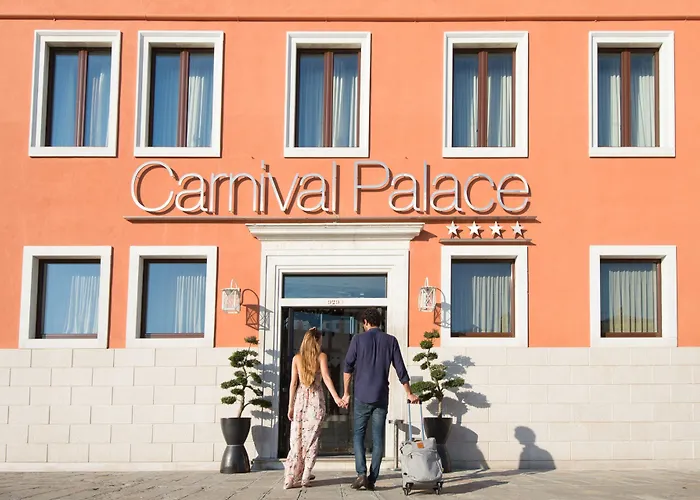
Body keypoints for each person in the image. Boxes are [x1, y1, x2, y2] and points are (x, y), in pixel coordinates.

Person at [342, 308, 419, 491]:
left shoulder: (358, 340)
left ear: (365, 322)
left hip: (361, 396)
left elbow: (347, 368)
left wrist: (346, 393)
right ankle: (372, 479)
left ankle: (361, 474)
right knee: (378, 439)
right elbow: (401, 369)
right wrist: (409, 393)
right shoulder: (391, 341)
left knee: (358, 435)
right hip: (381, 396)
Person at [284, 327, 347, 489]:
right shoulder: (321, 357)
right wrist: (337, 398)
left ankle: (290, 477)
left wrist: (290, 406)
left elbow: (293, 384)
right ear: (316, 341)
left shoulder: (297, 358)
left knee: (296, 440)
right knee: (311, 439)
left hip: (300, 401)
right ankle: (305, 475)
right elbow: (326, 378)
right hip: (315, 401)